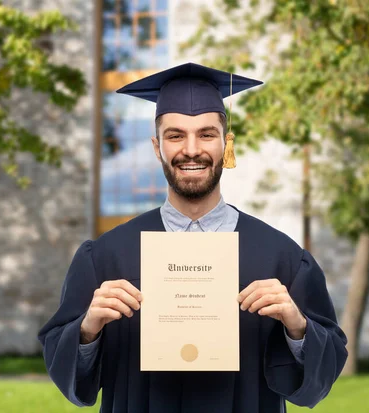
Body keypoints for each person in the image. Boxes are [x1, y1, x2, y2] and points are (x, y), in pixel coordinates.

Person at [37, 63, 348, 413]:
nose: (191, 149)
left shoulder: (281, 256)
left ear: (226, 143)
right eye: (175, 135)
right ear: (157, 147)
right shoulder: (107, 256)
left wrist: (298, 328)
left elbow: (327, 369)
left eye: (206, 134)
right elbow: (63, 367)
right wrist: (86, 331)